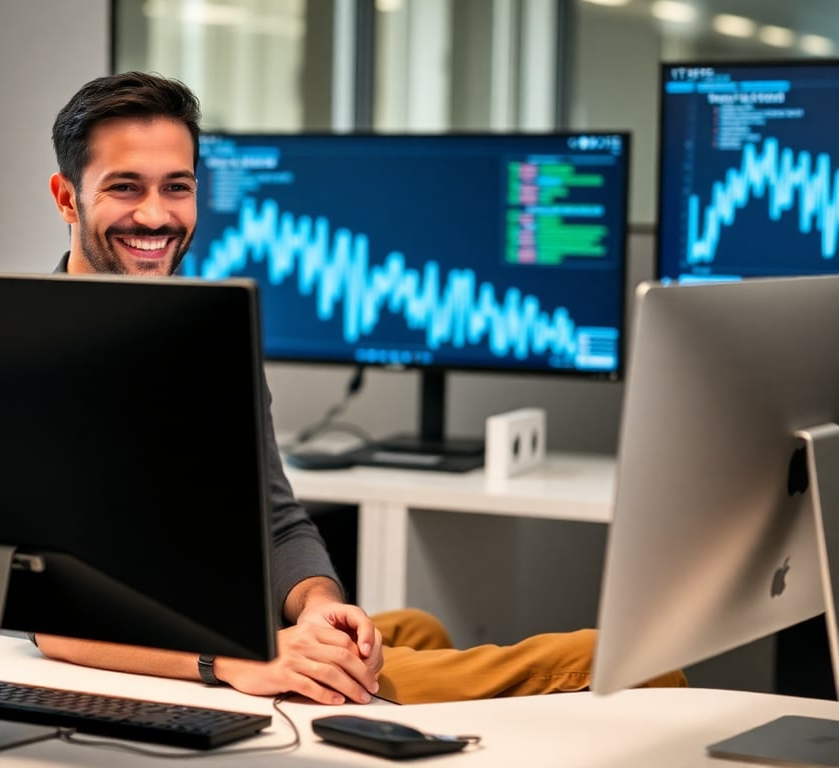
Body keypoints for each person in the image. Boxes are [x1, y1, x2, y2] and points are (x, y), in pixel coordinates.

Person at [34, 70, 686, 705]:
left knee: (411, 629)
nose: (157, 214)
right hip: (187, 664)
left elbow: (279, 524)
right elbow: (51, 617)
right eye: (126, 188)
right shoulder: (34, 352)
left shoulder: (209, 333)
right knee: (630, 662)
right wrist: (241, 660)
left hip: (243, 635)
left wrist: (321, 608)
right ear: (68, 198)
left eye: (177, 187)